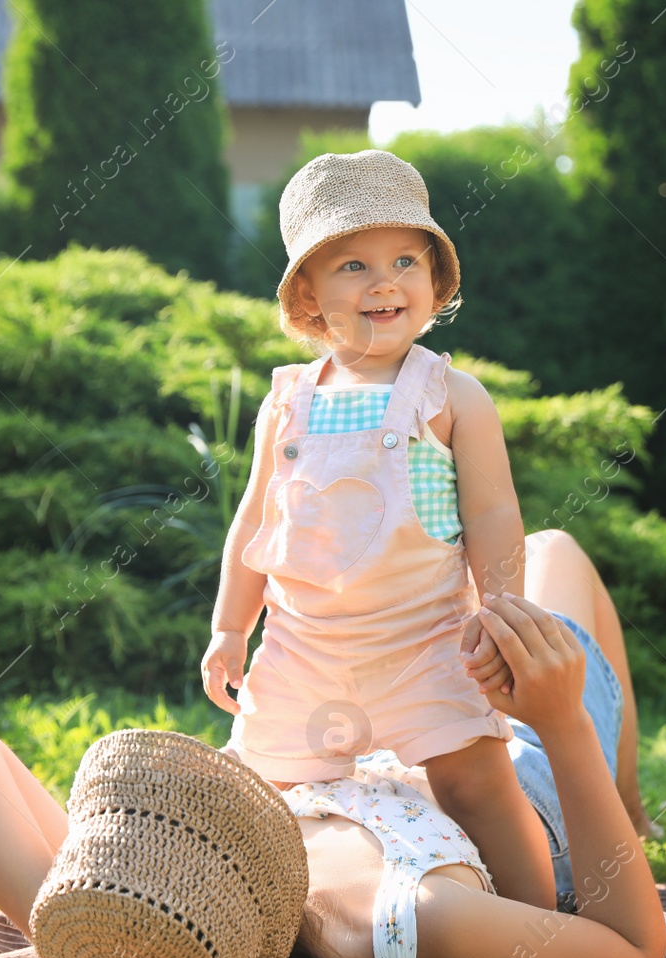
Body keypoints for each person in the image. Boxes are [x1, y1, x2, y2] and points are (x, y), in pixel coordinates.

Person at [0, 532, 666, 958]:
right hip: (530, 777)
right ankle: (622, 815)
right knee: (557, 553)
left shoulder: (156, 921)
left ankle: (624, 808)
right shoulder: (422, 924)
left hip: (415, 749)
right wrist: (561, 723)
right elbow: (633, 947)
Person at [198, 148, 546, 910]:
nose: (384, 281)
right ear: (309, 297)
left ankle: (537, 929)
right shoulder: (287, 402)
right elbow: (254, 519)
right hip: (302, 647)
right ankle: (252, 923)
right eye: (352, 266)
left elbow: (492, 514)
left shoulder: (450, 394)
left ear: (433, 281)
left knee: (477, 779)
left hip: (424, 642)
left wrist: (502, 612)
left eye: (403, 261)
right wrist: (231, 628)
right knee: (258, 786)